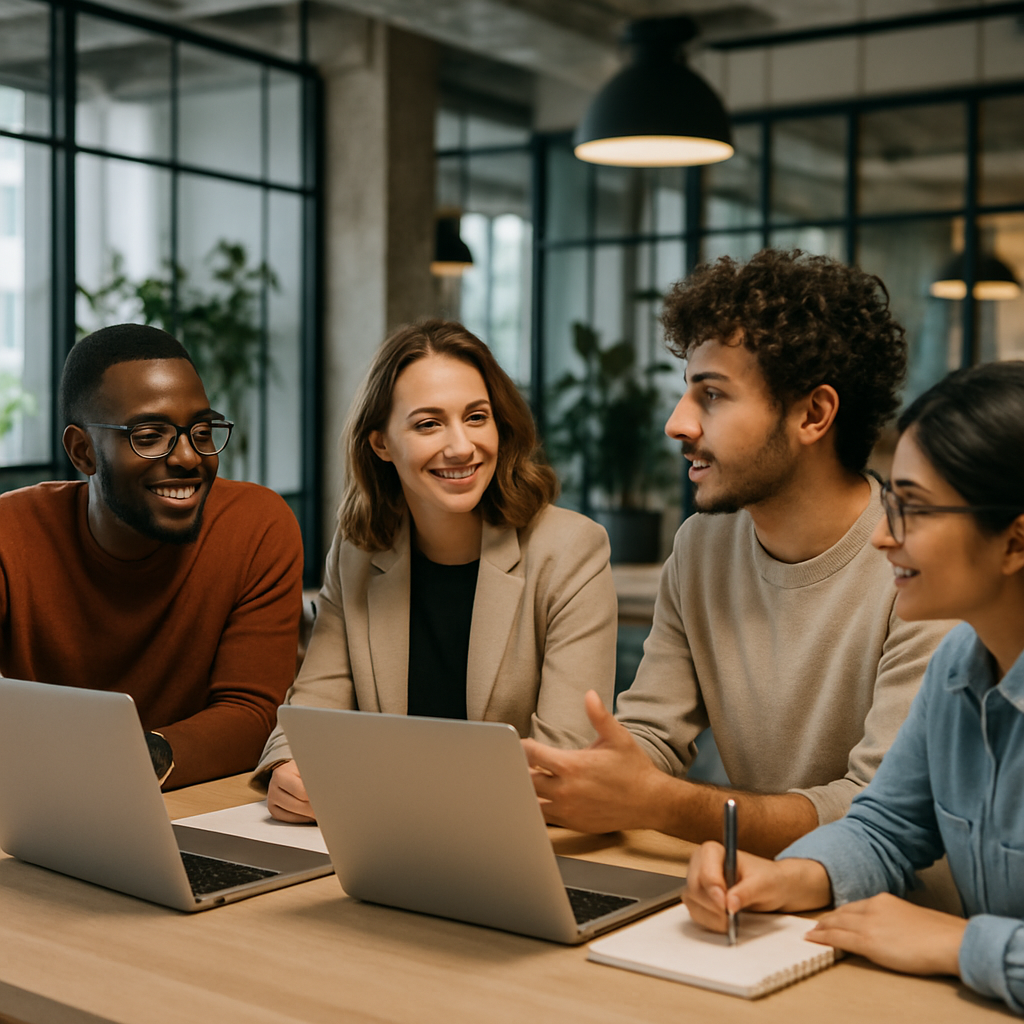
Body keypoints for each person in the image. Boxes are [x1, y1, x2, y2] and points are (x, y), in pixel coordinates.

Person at [523, 249, 954, 858]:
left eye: (713, 396)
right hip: (741, 897)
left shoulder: (918, 570)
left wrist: (662, 801)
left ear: (814, 414)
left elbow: (874, 808)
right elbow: (653, 731)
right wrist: (587, 773)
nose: (677, 424)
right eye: (687, 393)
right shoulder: (702, 546)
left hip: (883, 918)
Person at [683, 361, 1024, 1014]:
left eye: (914, 510)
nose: (882, 535)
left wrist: (962, 946)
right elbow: (888, 827)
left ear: (1014, 541)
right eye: (891, 501)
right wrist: (787, 877)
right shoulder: (960, 663)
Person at [255, 319, 617, 822]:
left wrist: (366, 783)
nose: (461, 447)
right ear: (381, 444)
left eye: (476, 417)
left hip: (517, 849)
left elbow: (565, 761)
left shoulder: (571, 550)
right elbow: (309, 715)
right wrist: (290, 769)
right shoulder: (357, 553)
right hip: (382, 848)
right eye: (428, 424)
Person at [0, 323, 304, 789]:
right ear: (83, 451)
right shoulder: (11, 535)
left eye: (200, 430)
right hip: (33, 811)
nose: (188, 456)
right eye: (149, 435)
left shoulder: (257, 526)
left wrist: (122, 762)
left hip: (193, 810)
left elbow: (251, 715)